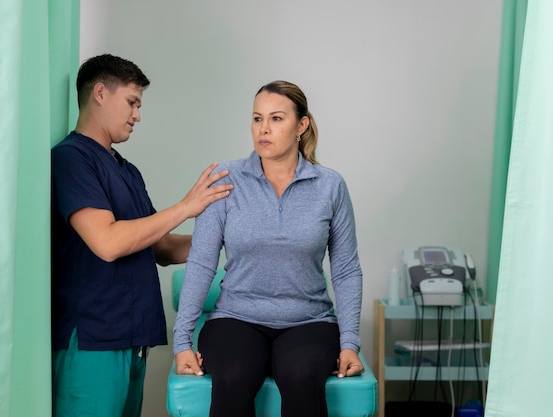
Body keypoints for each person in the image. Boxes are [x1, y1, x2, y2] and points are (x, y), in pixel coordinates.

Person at [51, 54, 233, 417]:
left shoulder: (126, 170)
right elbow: (108, 242)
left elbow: (161, 246)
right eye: (132, 102)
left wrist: (232, 233)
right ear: (100, 93)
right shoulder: (71, 159)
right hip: (93, 341)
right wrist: (186, 206)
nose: (138, 115)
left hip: (132, 339)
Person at [173, 80, 364, 417]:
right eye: (257, 118)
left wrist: (349, 343)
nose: (264, 129)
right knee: (234, 376)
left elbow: (346, 268)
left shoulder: (330, 186)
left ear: (301, 126)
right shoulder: (224, 178)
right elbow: (202, 262)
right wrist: (182, 342)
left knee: (301, 375)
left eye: (276, 119)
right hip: (236, 318)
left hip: (308, 320)